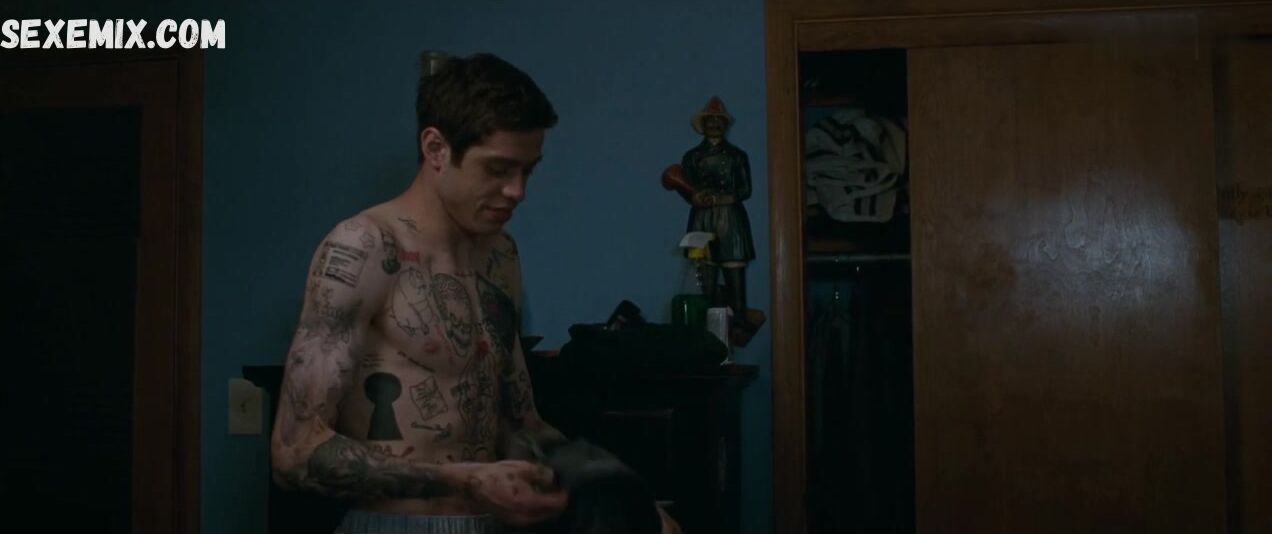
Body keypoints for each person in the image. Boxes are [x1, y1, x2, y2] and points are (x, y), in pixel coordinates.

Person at [270, 52, 679, 534]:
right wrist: (464, 480)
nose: (517, 191)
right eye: (498, 169)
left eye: (528, 171)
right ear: (436, 148)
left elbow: (521, 424)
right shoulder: (365, 246)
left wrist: (631, 504)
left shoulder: (500, 257)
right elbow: (295, 451)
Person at [674, 96, 756, 316]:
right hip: (702, 219)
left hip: (731, 221)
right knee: (702, 280)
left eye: (720, 120)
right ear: (703, 124)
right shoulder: (692, 157)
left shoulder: (737, 156)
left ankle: (738, 321)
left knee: (735, 275)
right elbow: (683, 186)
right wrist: (694, 197)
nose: (715, 124)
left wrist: (721, 200)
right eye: (711, 120)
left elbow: (745, 189)